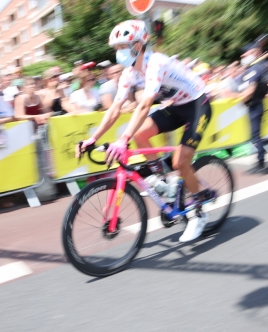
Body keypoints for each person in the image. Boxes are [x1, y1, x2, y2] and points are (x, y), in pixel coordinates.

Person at [76, 20, 212, 242]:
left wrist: (123, 139)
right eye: (116, 49)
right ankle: (164, 181)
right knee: (141, 134)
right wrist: (92, 138)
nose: (118, 53)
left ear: (138, 46)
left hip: (198, 103)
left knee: (181, 162)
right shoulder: (129, 74)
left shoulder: (155, 63)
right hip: (176, 106)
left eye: (122, 47)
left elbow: (145, 105)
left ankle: (198, 213)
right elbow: (114, 109)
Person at [228, 43, 268, 174]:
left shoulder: (255, 68)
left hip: (255, 105)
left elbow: (250, 91)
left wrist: (238, 98)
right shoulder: (254, 68)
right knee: (255, 136)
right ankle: (260, 161)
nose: (243, 56)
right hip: (254, 105)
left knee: (256, 136)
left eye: (246, 54)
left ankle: (261, 163)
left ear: (255, 53)